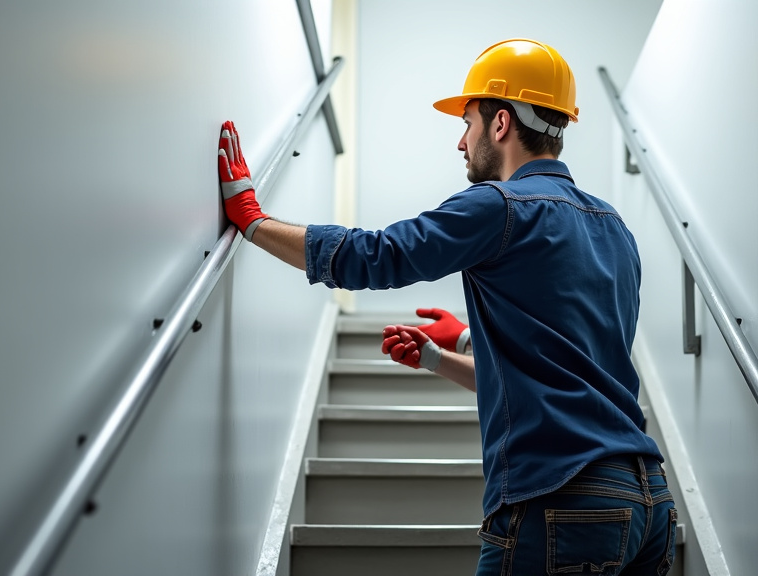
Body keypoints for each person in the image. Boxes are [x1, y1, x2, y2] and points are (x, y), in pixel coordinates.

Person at [219, 38, 677, 575]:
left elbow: (379, 256)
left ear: (500, 123)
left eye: (467, 123)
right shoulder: (613, 227)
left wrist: (254, 221)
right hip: (647, 500)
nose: (462, 142)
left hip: (561, 497)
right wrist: (450, 348)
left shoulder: (499, 205)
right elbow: (562, 369)